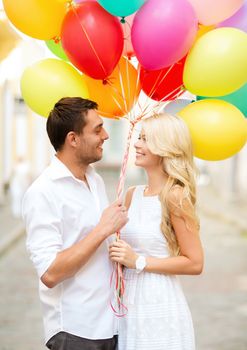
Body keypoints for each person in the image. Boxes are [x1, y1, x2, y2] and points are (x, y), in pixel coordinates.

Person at [22, 97, 128, 350]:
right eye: (97, 129)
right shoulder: (42, 192)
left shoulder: (95, 180)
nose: (106, 135)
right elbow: (50, 273)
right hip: (76, 332)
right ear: (73, 139)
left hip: (112, 325)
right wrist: (103, 229)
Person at [109, 112, 204, 350]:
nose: (137, 144)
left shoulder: (175, 196)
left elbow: (194, 263)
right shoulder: (132, 194)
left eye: (145, 139)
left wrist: (138, 261)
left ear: (165, 146)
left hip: (159, 303)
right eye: (139, 137)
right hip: (127, 304)